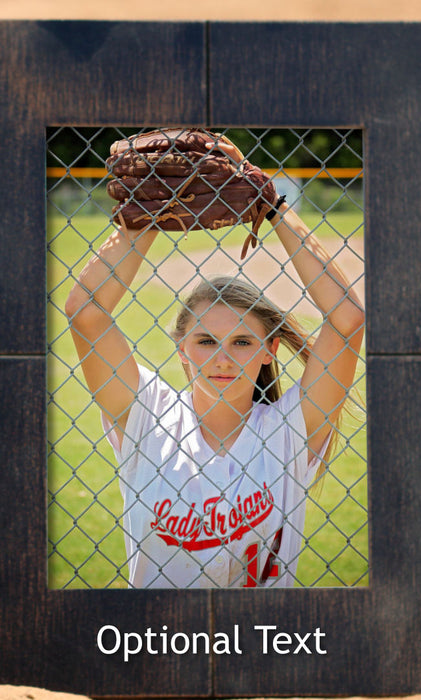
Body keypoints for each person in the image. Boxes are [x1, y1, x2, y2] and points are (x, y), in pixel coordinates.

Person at [64, 153, 365, 588]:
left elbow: (348, 320)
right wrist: (148, 215)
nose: (222, 358)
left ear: (269, 351)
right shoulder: (149, 417)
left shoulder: (289, 430)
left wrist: (274, 208)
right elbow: (86, 314)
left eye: (242, 342)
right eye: (205, 341)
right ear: (182, 350)